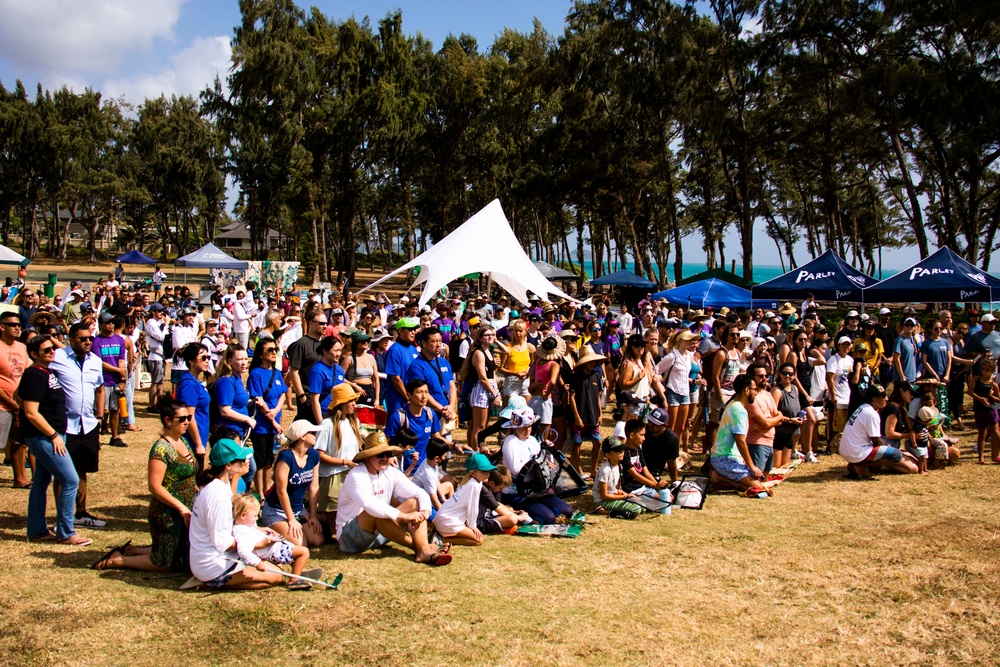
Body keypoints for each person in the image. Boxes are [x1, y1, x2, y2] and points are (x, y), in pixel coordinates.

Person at [92, 398, 198, 571]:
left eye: (189, 418)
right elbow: (155, 486)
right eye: (182, 419)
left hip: (185, 512)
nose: (187, 422)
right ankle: (117, 560)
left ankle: (132, 551)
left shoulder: (183, 442)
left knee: (180, 556)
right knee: (165, 564)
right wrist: (181, 508)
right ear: (168, 420)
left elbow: (189, 477)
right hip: (167, 513)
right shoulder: (161, 449)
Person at [335, 430, 453, 565]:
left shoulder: (390, 472)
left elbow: (419, 493)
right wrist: (404, 516)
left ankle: (423, 549)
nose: (385, 458)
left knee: (414, 502)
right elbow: (370, 505)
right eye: (380, 454)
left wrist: (425, 511)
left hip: (379, 533)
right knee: (374, 512)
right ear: (368, 457)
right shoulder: (357, 475)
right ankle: (422, 548)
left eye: (388, 454)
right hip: (350, 539)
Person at [20, 334, 91, 545]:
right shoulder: (33, 374)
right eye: (47, 350)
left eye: (53, 348)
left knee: (41, 482)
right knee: (71, 480)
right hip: (45, 436)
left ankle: (36, 531)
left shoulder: (45, 372)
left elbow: (19, 395)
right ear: (34, 354)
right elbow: (31, 412)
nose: (52, 352)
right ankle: (66, 532)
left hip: (54, 434)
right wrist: (52, 436)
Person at [189, 438, 284, 589]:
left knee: (277, 569)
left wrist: (256, 530)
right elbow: (222, 542)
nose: (244, 462)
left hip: (217, 557)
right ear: (228, 465)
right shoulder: (217, 495)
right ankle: (214, 583)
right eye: (240, 460)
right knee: (277, 576)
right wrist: (257, 544)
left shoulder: (220, 484)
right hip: (212, 564)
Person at [48, 321, 107, 528]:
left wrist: (99, 416)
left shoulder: (95, 361)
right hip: (65, 425)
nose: (88, 342)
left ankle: (80, 513)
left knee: (83, 469)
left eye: (90, 338)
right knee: (63, 473)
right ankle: (61, 516)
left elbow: (100, 389)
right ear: (71, 339)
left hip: (88, 424)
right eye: (82, 339)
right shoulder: (57, 358)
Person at [500, 407, 574, 524]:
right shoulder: (511, 442)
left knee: (567, 511)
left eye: (529, 426)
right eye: (524, 427)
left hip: (537, 490)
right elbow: (516, 470)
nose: (527, 430)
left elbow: (541, 458)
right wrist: (537, 464)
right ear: (515, 428)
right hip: (517, 492)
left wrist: (546, 458)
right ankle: (518, 511)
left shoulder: (533, 440)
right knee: (548, 518)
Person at [261, 420, 323, 547]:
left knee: (317, 541)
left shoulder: (313, 455)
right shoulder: (286, 457)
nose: (316, 435)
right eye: (313, 433)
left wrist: (313, 515)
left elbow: (314, 486)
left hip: (299, 510)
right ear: (303, 437)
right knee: (301, 544)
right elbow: (281, 490)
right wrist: (291, 519)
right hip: (276, 511)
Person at [708, 374, 771, 496]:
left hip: (724, 457)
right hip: (724, 458)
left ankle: (725, 479)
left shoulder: (733, 405)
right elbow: (740, 441)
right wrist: (751, 466)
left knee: (759, 484)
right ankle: (719, 477)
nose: (756, 393)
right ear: (747, 390)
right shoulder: (739, 410)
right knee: (761, 490)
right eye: (754, 389)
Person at [232, 494, 313, 590]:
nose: (257, 518)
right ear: (243, 515)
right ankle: (294, 581)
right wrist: (257, 563)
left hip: (272, 548)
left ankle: (298, 570)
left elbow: (253, 532)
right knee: (303, 552)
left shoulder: (246, 525)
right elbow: (243, 551)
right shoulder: (240, 531)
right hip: (272, 552)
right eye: (255, 516)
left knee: (294, 548)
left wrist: (262, 530)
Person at [313, 384, 363, 536]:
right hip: (333, 475)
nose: (354, 404)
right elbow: (319, 454)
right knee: (335, 524)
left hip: (351, 473)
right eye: (350, 401)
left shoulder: (353, 422)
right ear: (341, 403)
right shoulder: (327, 425)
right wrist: (343, 462)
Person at [841, 384, 919, 478]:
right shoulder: (872, 414)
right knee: (896, 455)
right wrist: (887, 449)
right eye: (883, 396)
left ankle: (858, 464)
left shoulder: (862, 408)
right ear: (874, 398)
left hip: (848, 451)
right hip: (857, 452)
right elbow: (876, 441)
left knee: (899, 455)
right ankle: (860, 465)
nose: (886, 399)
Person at [247, 337, 287, 497]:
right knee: (260, 459)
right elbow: (258, 399)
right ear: (260, 355)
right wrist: (272, 419)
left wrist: (276, 411)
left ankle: (267, 488)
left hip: (274, 421)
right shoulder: (255, 374)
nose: (273, 352)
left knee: (271, 459)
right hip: (262, 424)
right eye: (269, 350)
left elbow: (283, 393)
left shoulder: (276, 373)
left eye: (275, 350)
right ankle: (260, 493)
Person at [431, 453, 496, 547]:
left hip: (444, 519)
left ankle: (441, 536)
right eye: (483, 471)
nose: (487, 474)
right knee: (478, 540)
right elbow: (472, 507)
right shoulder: (473, 485)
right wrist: (472, 526)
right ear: (473, 473)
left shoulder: (474, 483)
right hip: (448, 521)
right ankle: (440, 539)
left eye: (488, 471)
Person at [0, 309, 30, 487]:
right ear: (2, 327)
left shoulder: (22, 347)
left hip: (20, 404)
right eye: (12, 325)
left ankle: (19, 478)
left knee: (19, 442)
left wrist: (22, 402)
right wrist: (10, 402)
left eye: (19, 324)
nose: (17, 328)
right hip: (3, 405)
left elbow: (26, 373)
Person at [568, 347, 607, 478]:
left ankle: (593, 469)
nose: (592, 363)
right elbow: (571, 397)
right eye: (590, 361)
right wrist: (576, 416)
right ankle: (578, 469)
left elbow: (597, 396)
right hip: (579, 415)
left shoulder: (596, 375)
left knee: (598, 442)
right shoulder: (576, 377)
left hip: (593, 414)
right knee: (577, 442)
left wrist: (600, 413)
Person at [462, 326, 502, 453]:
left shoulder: (489, 350)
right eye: (487, 335)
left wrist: (495, 340)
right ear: (480, 338)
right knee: (479, 427)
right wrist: (495, 394)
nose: (490, 337)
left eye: (492, 334)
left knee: (483, 425)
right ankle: (476, 454)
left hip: (489, 389)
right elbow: (482, 378)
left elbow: (506, 351)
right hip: (481, 390)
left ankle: (479, 450)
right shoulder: (479, 353)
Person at [384, 379, 442, 463]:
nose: (424, 396)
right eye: (419, 392)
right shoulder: (398, 417)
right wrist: (389, 457)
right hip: (402, 469)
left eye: (426, 392)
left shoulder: (430, 413)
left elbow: (437, 437)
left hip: (423, 468)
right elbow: (384, 441)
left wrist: (456, 445)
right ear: (409, 395)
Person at [93, 313, 128, 448]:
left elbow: (121, 360)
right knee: (100, 412)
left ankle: (115, 437)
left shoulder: (120, 340)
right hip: (102, 380)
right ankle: (94, 439)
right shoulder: (97, 341)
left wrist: (122, 379)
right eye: (107, 323)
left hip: (115, 381)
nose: (111, 325)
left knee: (115, 410)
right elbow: (99, 362)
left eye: (112, 322)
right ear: (101, 325)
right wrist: (119, 371)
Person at [174, 343, 212, 464]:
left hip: (199, 438)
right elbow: (189, 417)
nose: (207, 361)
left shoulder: (195, 382)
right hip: (191, 442)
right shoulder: (189, 384)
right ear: (191, 361)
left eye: (208, 358)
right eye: (203, 358)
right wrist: (198, 444)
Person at [286, 307, 326, 418]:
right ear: (311, 323)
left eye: (326, 323)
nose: (325, 326)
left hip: (323, 394)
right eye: (321, 323)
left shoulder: (325, 343)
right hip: (308, 395)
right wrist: (301, 396)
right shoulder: (301, 344)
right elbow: (294, 371)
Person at [592, 436, 644, 517]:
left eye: (622, 450)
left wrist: (628, 495)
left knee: (642, 505)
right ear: (608, 455)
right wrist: (624, 496)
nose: (622, 452)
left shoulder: (619, 466)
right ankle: (605, 511)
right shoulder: (605, 470)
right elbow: (604, 495)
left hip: (614, 496)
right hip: (603, 501)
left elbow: (616, 489)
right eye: (617, 451)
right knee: (636, 509)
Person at [384, 317, 421, 416]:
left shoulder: (413, 349)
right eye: (410, 329)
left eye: (414, 329)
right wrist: (407, 397)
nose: (413, 332)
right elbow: (395, 378)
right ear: (400, 331)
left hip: (413, 398)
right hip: (398, 399)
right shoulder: (394, 350)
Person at [527, 335, 564, 431]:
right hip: (544, 399)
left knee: (532, 427)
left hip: (534, 398)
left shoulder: (537, 362)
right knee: (545, 426)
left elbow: (530, 387)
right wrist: (547, 394)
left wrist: (534, 386)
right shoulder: (553, 364)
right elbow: (552, 381)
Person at [306, 335, 345, 424]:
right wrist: (321, 424)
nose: (338, 354)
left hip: (337, 416)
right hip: (324, 416)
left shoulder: (339, 369)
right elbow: (314, 399)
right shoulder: (318, 371)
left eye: (340, 350)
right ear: (325, 351)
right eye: (335, 351)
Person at [968, 355, 1000, 464]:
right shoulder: (976, 379)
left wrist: (991, 396)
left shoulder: (993, 384)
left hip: (991, 410)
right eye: (983, 369)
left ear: (992, 371)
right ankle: (980, 458)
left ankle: (997, 454)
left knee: (996, 432)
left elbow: (999, 399)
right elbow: (970, 391)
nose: (984, 372)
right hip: (979, 409)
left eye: (987, 370)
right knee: (981, 433)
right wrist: (980, 399)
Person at [772, 362, 803, 469]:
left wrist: (800, 418)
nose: (787, 376)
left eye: (790, 374)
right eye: (785, 373)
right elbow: (773, 414)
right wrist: (790, 420)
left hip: (790, 433)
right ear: (780, 373)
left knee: (784, 467)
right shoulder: (777, 391)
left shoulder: (795, 389)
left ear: (794, 375)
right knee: (776, 467)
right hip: (779, 432)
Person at [826, 336, 854, 454]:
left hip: (848, 395)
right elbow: (830, 378)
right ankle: (833, 446)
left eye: (848, 345)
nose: (846, 347)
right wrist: (834, 395)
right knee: (837, 424)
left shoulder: (850, 360)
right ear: (838, 346)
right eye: (843, 345)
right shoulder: (833, 359)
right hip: (838, 396)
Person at [342, 330, 379, 406]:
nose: (366, 343)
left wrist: (377, 399)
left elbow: (376, 380)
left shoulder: (371, 358)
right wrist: (354, 385)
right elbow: (339, 377)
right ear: (356, 343)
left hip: (369, 392)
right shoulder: (349, 359)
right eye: (363, 341)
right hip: (354, 393)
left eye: (367, 341)